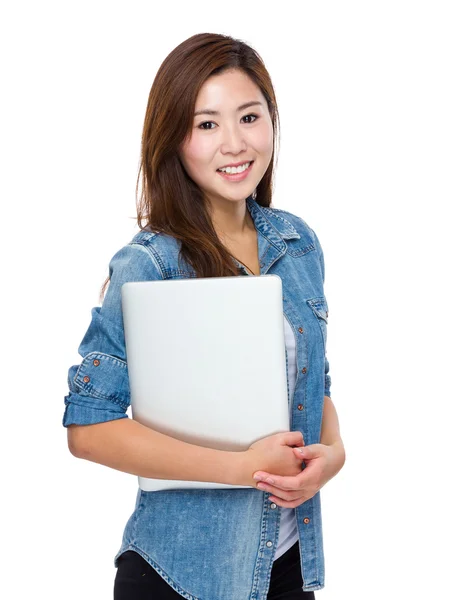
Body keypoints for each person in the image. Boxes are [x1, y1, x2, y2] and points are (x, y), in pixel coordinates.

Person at [63, 32, 346, 600]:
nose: (235, 144)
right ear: (174, 139)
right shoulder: (151, 263)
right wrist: (242, 468)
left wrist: (333, 455)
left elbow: (313, 383)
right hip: (182, 574)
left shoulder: (297, 242)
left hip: (288, 563)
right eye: (207, 124)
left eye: (250, 116)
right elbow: (89, 429)